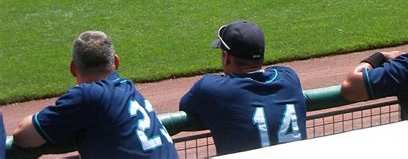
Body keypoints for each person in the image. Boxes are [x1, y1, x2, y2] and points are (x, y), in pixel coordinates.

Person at [12, 30, 178, 158]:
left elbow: (22, 136)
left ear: (72, 68)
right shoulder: (128, 89)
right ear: (116, 61)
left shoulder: (88, 95)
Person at [179, 20, 306, 155]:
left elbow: (185, 105)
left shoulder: (211, 89)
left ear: (226, 57)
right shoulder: (289, 78)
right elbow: (272, 71)